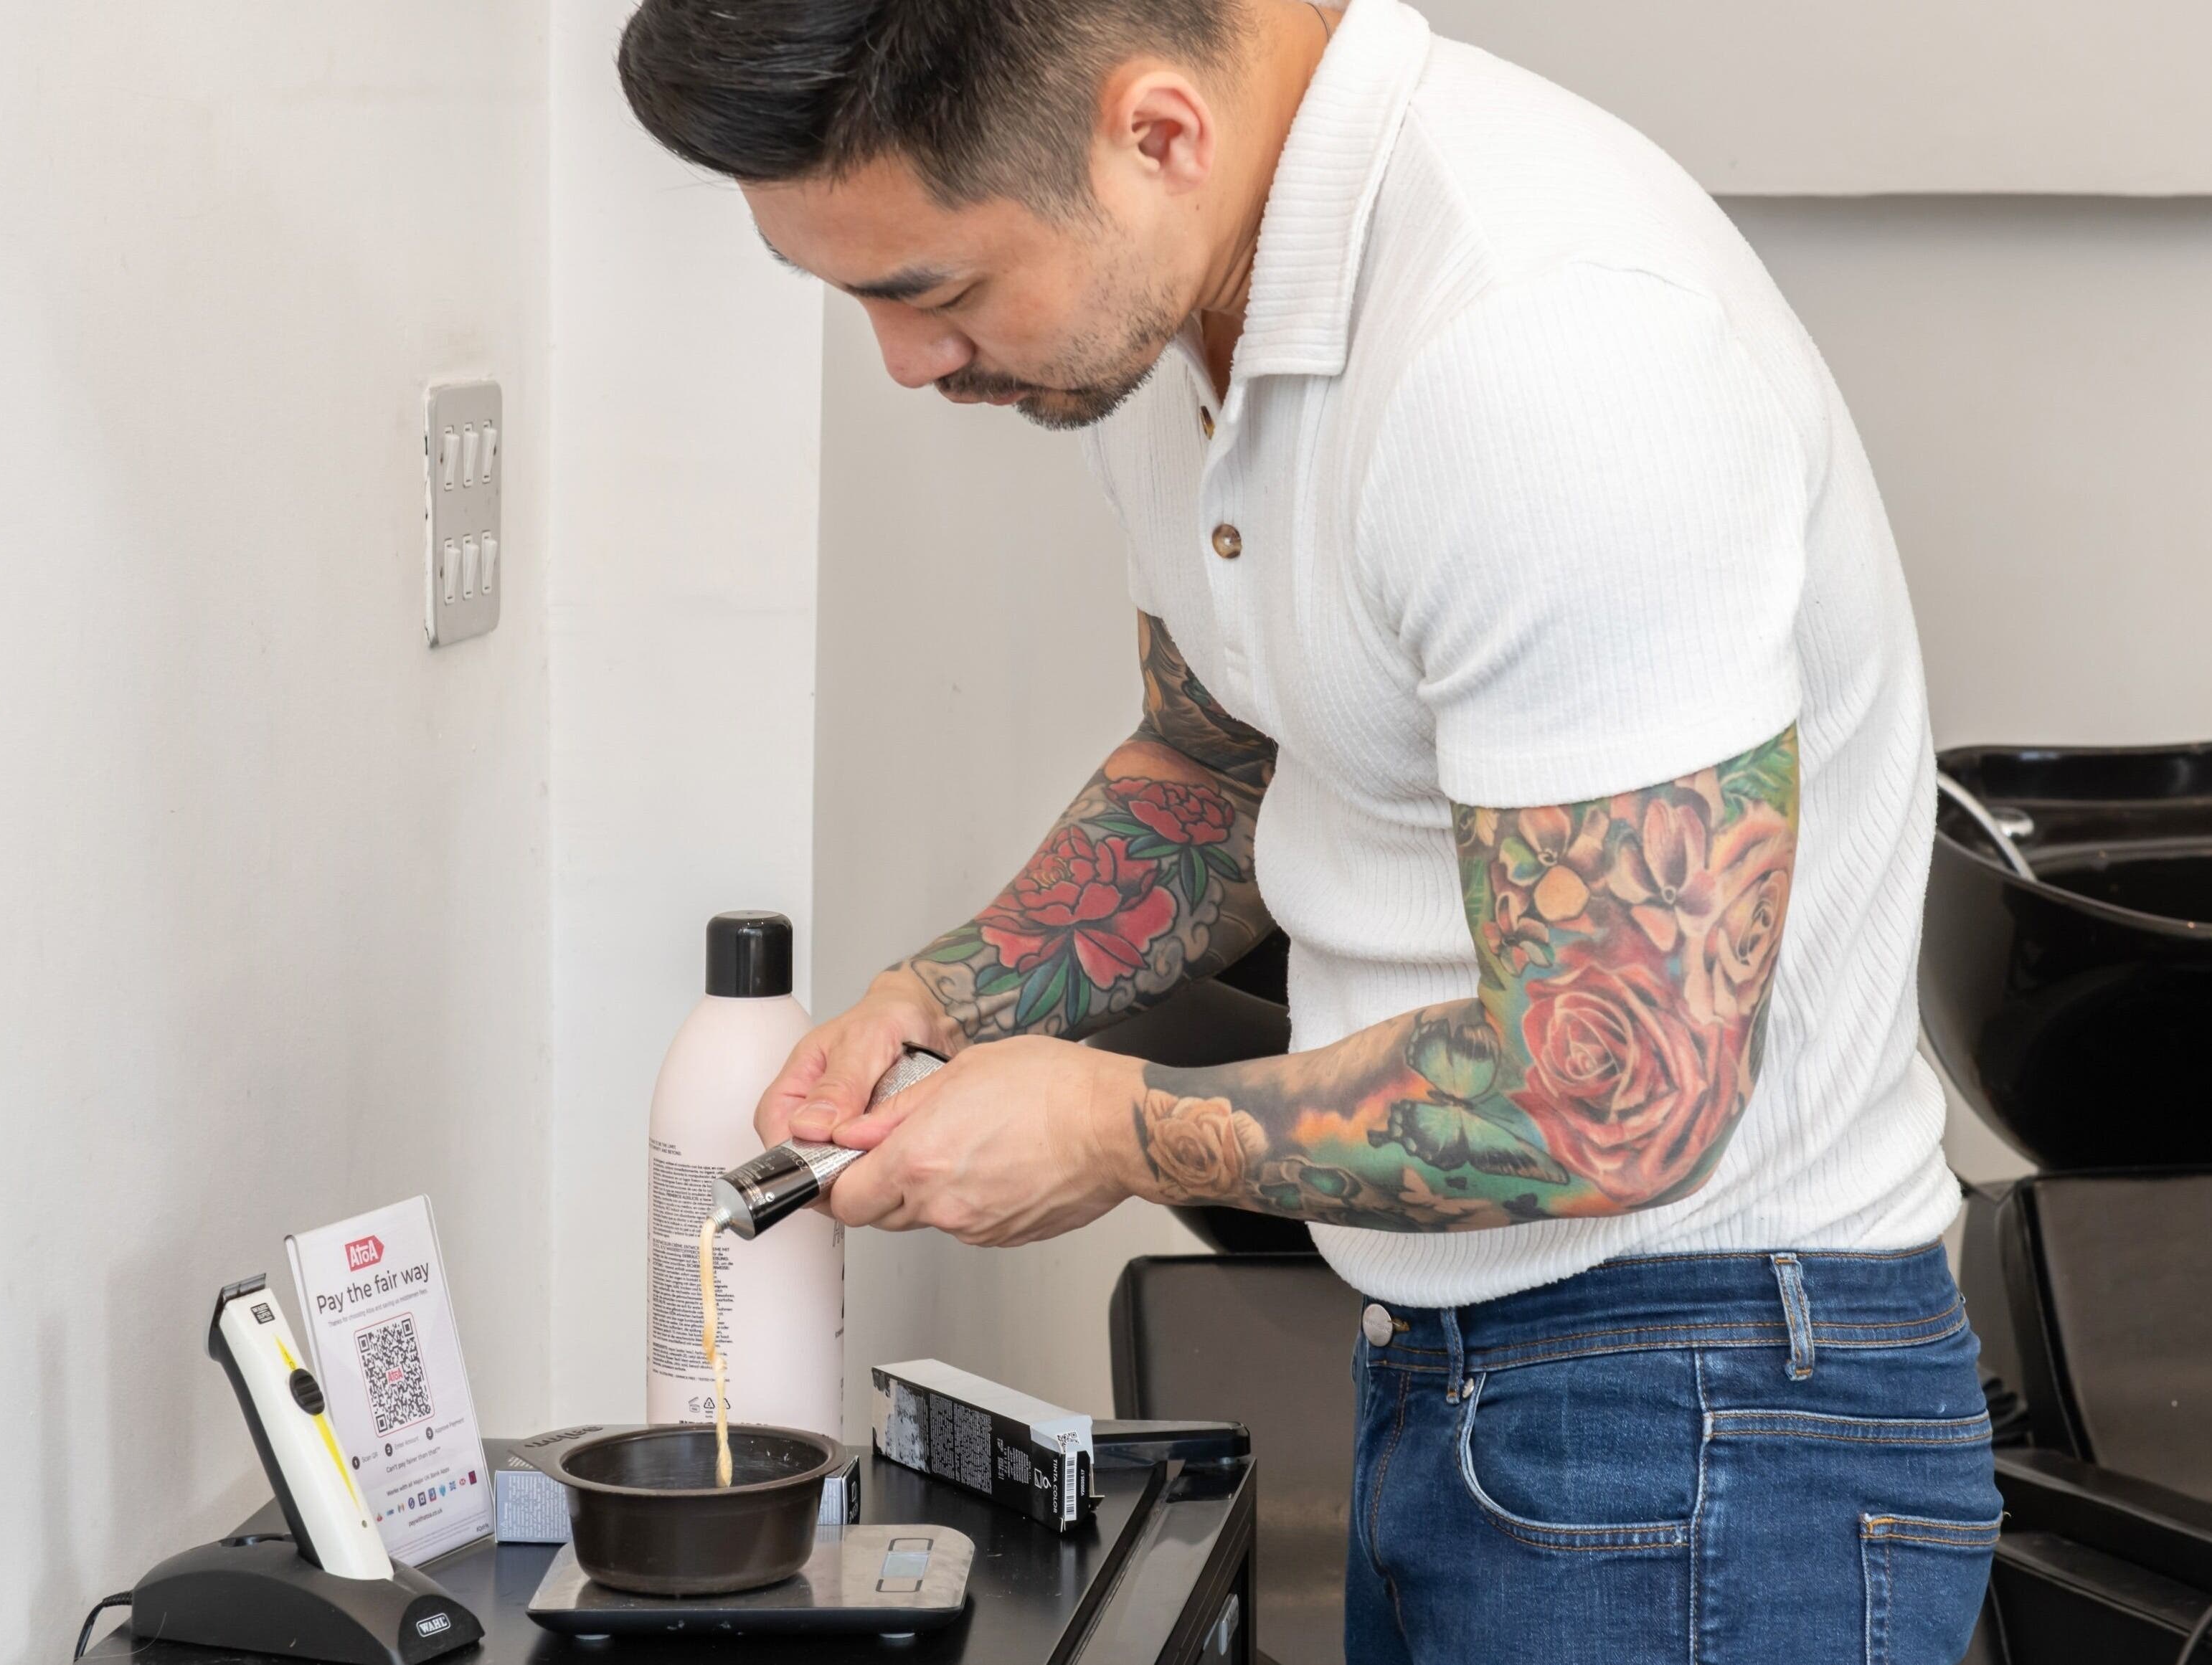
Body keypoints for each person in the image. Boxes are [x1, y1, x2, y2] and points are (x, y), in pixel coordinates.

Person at [618, 1, 1995, 1659]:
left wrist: (1112, 1128)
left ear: (1156, 136)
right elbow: (1226, 751)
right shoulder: (1175, 309)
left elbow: (1617, 1082)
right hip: (1463, 1365)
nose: (907, 364)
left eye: (934, 290)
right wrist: (950, 999)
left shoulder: (1542, 350)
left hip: (1707, 1411)